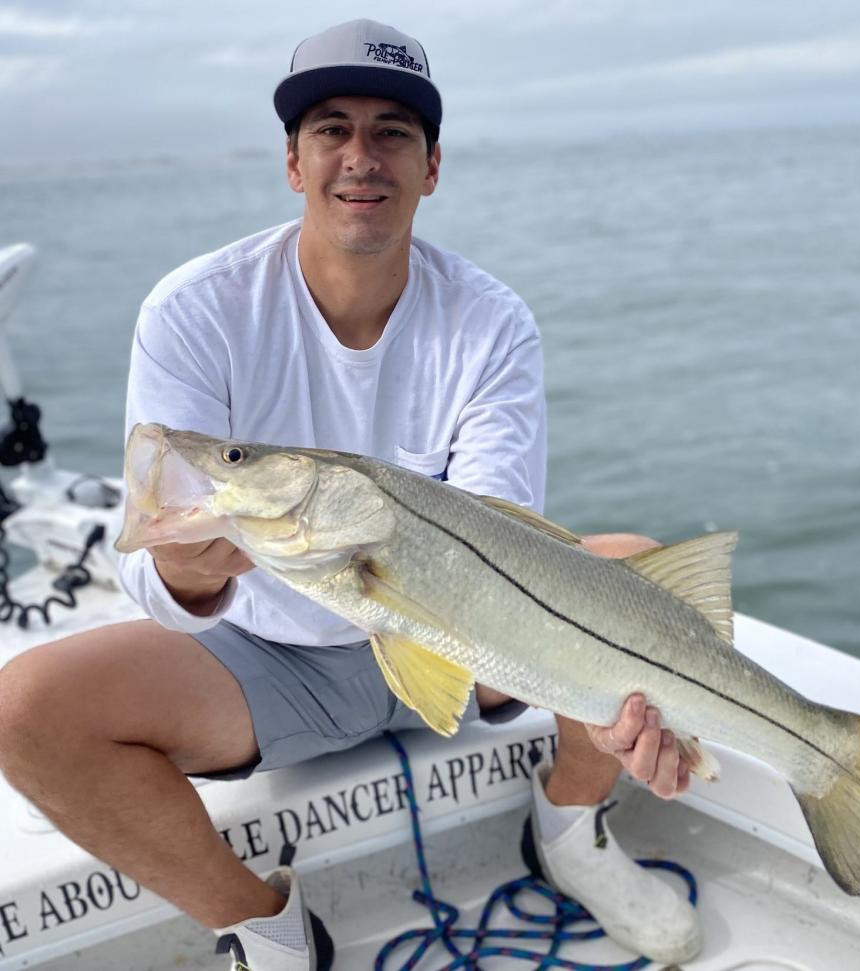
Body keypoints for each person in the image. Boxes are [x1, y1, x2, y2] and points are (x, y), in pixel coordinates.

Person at [0, 18, 701, 971]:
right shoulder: (194, 310)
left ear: (432, 166)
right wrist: (190, 575)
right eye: (331, 129)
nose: (359, 158)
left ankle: (571, 829)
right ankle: (263, 924)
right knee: (25, 706)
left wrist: (623, 687)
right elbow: (161, 570)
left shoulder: (490, 321)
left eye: (391, 133)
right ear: (294, 162)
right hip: (266, 655)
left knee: (634, 574)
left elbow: (500, 538)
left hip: (465, 638)